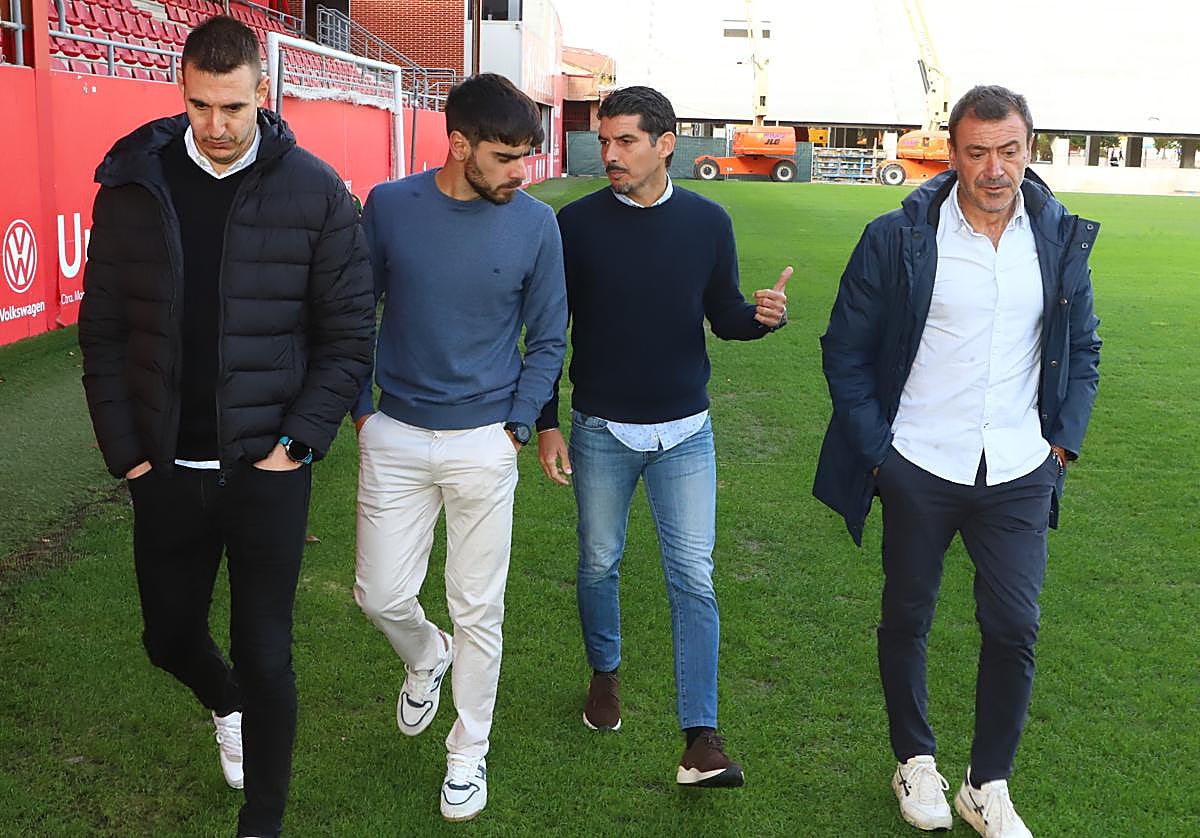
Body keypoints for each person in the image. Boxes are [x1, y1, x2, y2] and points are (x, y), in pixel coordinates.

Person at [77, 15, 374, 838]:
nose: (215, 125)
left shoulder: (315, 190)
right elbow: (102, 332)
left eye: (233, 108)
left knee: (266, 651)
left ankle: (263, 818)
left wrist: (297, 444)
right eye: (201, 105)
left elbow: (349, 336)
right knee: (167, 637)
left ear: (262, 96)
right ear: (182, 92)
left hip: (267, 470)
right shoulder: (134, 185)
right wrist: (129, 458)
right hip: (164, 471)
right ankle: (224, 703)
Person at [814, 85, 1101, 838]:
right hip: (919, 462)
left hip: (1017, 467)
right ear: (953, 154)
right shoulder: (900, 236)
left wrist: (1060, 444)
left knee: (1014, 626)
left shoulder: (1059, 236)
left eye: (1009, 151)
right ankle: (914, 759)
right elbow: (844, 350)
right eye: (977, 152)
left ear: (1029, 150)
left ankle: (986, 782)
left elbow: (1086, 350)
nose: (994, 169)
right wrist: (881, 454)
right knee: (906, 615)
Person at [535, 85, 791, 789]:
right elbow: (547, 332)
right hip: (600, 431)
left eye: (624, 142)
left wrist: (762, 317)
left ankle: (700, 740)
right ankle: (605, 677)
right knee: (598, 564)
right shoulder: (575, 224)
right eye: (605, 140)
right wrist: (548, 422)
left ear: (665, 143)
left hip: (687, 434)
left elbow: (724, 315)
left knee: (693, 580)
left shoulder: (708, 222)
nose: (609, 154)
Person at [352, 73, 567, 823]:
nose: (521, 172)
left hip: (485, 440)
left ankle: (467, 753)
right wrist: (360, 413)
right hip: (397, 433)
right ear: (459, 144)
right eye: (507, 157)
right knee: (378, 594)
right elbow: (351, 312)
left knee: (479, 607)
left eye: (526, 157)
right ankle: (424, 656)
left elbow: (549, 339)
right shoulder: (388, 207)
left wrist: (514, 425)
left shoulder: (537, 224)